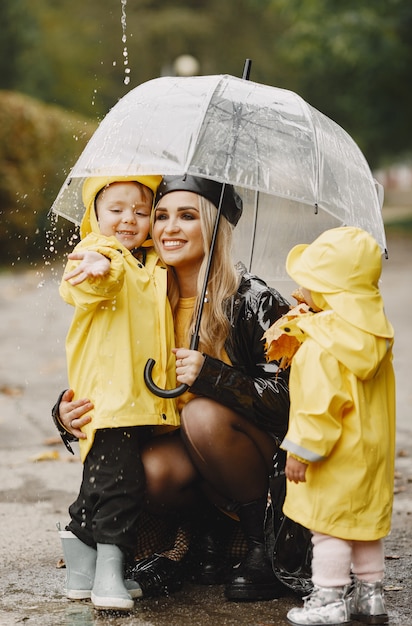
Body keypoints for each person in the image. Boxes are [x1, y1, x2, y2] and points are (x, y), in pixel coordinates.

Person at [54, 174, 292, 602]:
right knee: (142, 466)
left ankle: (262, 547)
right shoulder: (140, 289)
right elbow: (104, 360)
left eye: (187, 216)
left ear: (215, 226)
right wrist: (65, 413)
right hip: (182, 459)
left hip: (249, 456)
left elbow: (289, 400)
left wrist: (211, 376)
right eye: (159, 215)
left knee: (200, 414)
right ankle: (205, 536)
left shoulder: (252, 299)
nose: (168, 228)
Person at [56, 175, 180, 611]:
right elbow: (88, 282)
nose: (129, 219)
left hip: (139, 398)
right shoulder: (102, 254)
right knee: (120, 484)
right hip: (109, 398)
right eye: (116, 210)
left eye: (141, 211)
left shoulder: (150, 264)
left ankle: (80, 561)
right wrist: (95, 270)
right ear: (94, 215)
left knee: (106, 480)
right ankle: (110, 567)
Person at [277, 227, 395, 625]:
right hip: (371, 455)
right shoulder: (371, 338)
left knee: (329, 530)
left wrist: (300, 452)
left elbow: (318, 408)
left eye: (309, 283)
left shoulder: (321, 347)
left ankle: (328, 600)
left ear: (330, 293)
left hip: (335, 457)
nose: (300, 289)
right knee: (363, 526)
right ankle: (370, 596)